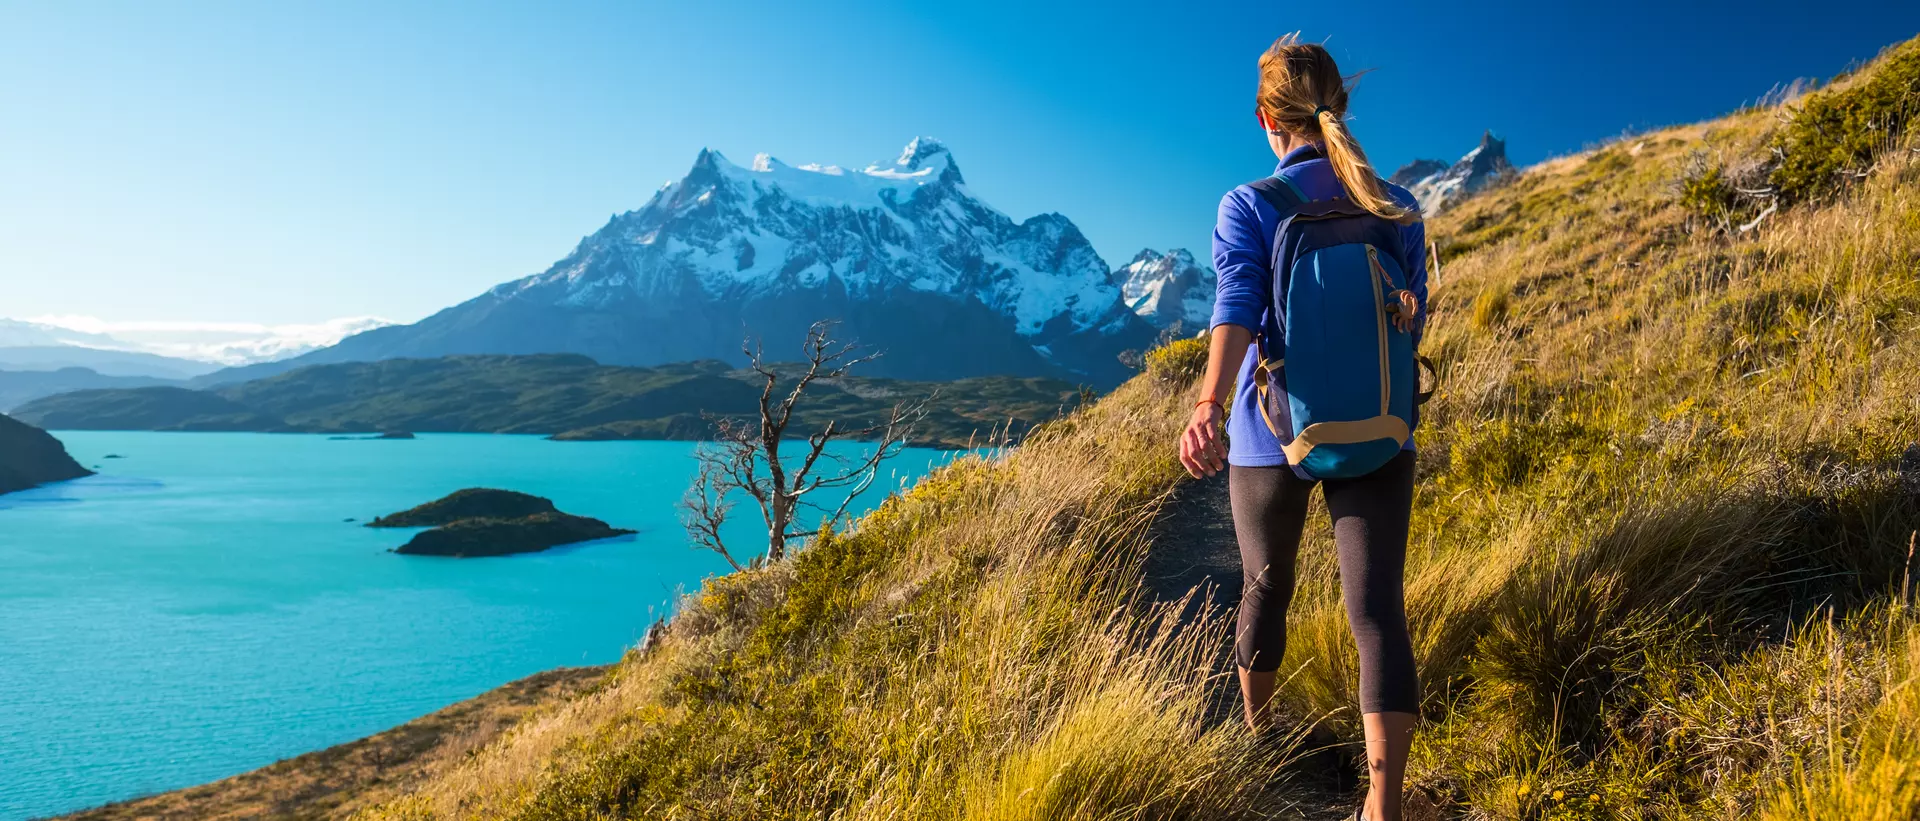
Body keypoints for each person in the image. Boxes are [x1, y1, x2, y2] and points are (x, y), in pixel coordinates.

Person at [1176, 33, 1428, 821]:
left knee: (1264, 585)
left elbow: (1237, 310)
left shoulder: (1249, 204)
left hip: (1269, 433)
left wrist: (1208, 406)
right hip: (1382, 428)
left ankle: (1261, 739)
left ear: (1266, 119)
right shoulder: (1397, 205)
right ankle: (1382, 805)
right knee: (1377, 608)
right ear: (1338, 108)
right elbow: (1413, 320)